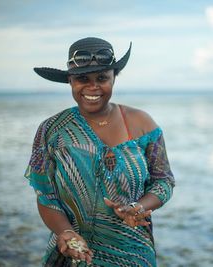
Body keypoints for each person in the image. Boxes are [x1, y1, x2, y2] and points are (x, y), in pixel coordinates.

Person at [24, 37, 175, 267]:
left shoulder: (143, 124)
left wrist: (139, 207)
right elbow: (46, 195)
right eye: (82, 79)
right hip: (73, 253)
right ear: (70, 81)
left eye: (102, 78)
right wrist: (65, 232)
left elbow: (163, 181)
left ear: (114, 77)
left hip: (133, 255)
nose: (93, 87)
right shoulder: (52, 131)